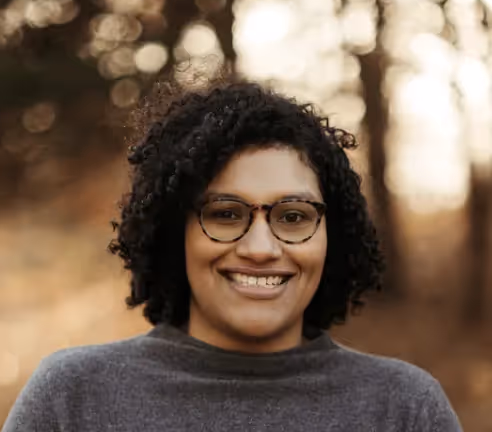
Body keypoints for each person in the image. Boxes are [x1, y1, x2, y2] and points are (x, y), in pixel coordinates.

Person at [2, 82, 462, 431]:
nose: (261, 248)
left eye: (294, 216)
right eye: (225, 213)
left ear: (332, 236)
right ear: (173, 231)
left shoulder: (403, 408)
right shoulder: (73, 398)